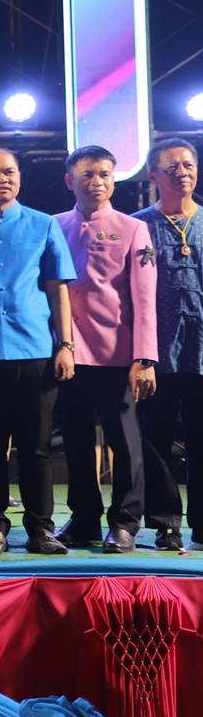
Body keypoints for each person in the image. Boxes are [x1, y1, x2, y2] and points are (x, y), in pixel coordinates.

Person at [0, 147, 77, 555]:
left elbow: (58, 290)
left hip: (36, 351)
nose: (1, 178)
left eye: (9, 172)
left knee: (37, 448)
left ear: (19, 177)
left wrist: (66, 345)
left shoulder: (43, 224)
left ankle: (40, 528)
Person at [52, 146, 157, 554]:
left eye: (104, 175)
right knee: (76, 441)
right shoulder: (53, 226)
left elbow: (144, 299)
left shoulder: (133, 228)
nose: (97, 182)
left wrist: (143, 357)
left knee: (124, 443)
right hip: (68, 354)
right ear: (70, 181)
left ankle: (126, 522)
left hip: (118, 355)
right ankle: (84, 518)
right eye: (88, 175)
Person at [134, 138, 203, 550]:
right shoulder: (138, 226)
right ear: (153, 175)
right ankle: (165, 523)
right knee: (155, 438)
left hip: (201, 349)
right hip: (156, 350)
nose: (183, 172)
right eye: (172, 166)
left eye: (188, 164)